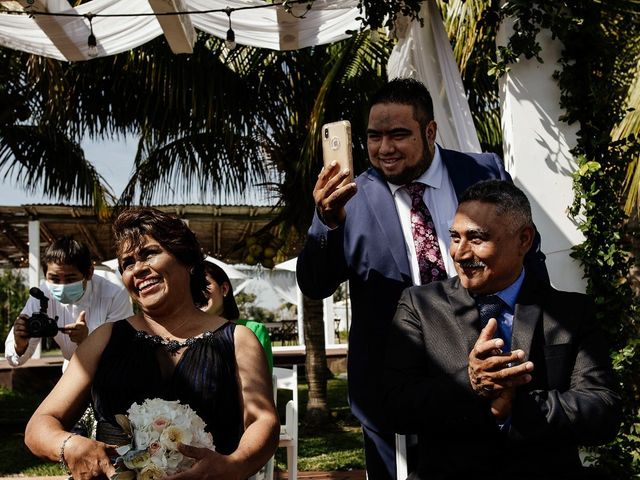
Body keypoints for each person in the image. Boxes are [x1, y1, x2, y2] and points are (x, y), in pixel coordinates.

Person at [296, 77, 547, 479]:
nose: (384, 148)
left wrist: (534, 339)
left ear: (430, 131)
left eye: (398, 134)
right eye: (374, 136)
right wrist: (326, 224)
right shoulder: (348, 197)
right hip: (394, 396)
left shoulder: (483, 170)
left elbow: (528, 256)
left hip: (493, 374)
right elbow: (314, 283)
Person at [383, 180, 621, 479]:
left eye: (477, 238)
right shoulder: (420, 306)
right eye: (455, 237)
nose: (460, 253)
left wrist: (517, 409)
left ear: (523, 240)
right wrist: (470, 384)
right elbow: (394, 405)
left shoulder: (569, 313)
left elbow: (603, 410)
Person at [24, 208, 279, 480]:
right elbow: (39, 426)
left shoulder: (238, 340)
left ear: (186, 258)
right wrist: (70, 445)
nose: (139, 269)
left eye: (149, 254)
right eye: (128, 263)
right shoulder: (105, 338)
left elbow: (263, 420)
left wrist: (234, 465)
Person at [5, 235, 133, 370]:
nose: (62, 286)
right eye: (54, 279)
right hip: (71, 368)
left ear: (89, 273)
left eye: (70, 279)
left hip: (109, 372)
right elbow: (15, 360)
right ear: (45, 274)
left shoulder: (114, 292)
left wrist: (87, 340)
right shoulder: (42, 295)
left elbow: (122, 351)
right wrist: (20, 346)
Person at [202, 260, 274, 372]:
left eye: (205, 284)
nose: (198, 292)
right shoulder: (185, 335)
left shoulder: (253, 330)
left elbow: (260, 384)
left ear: (224, 289)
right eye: (191, 288)